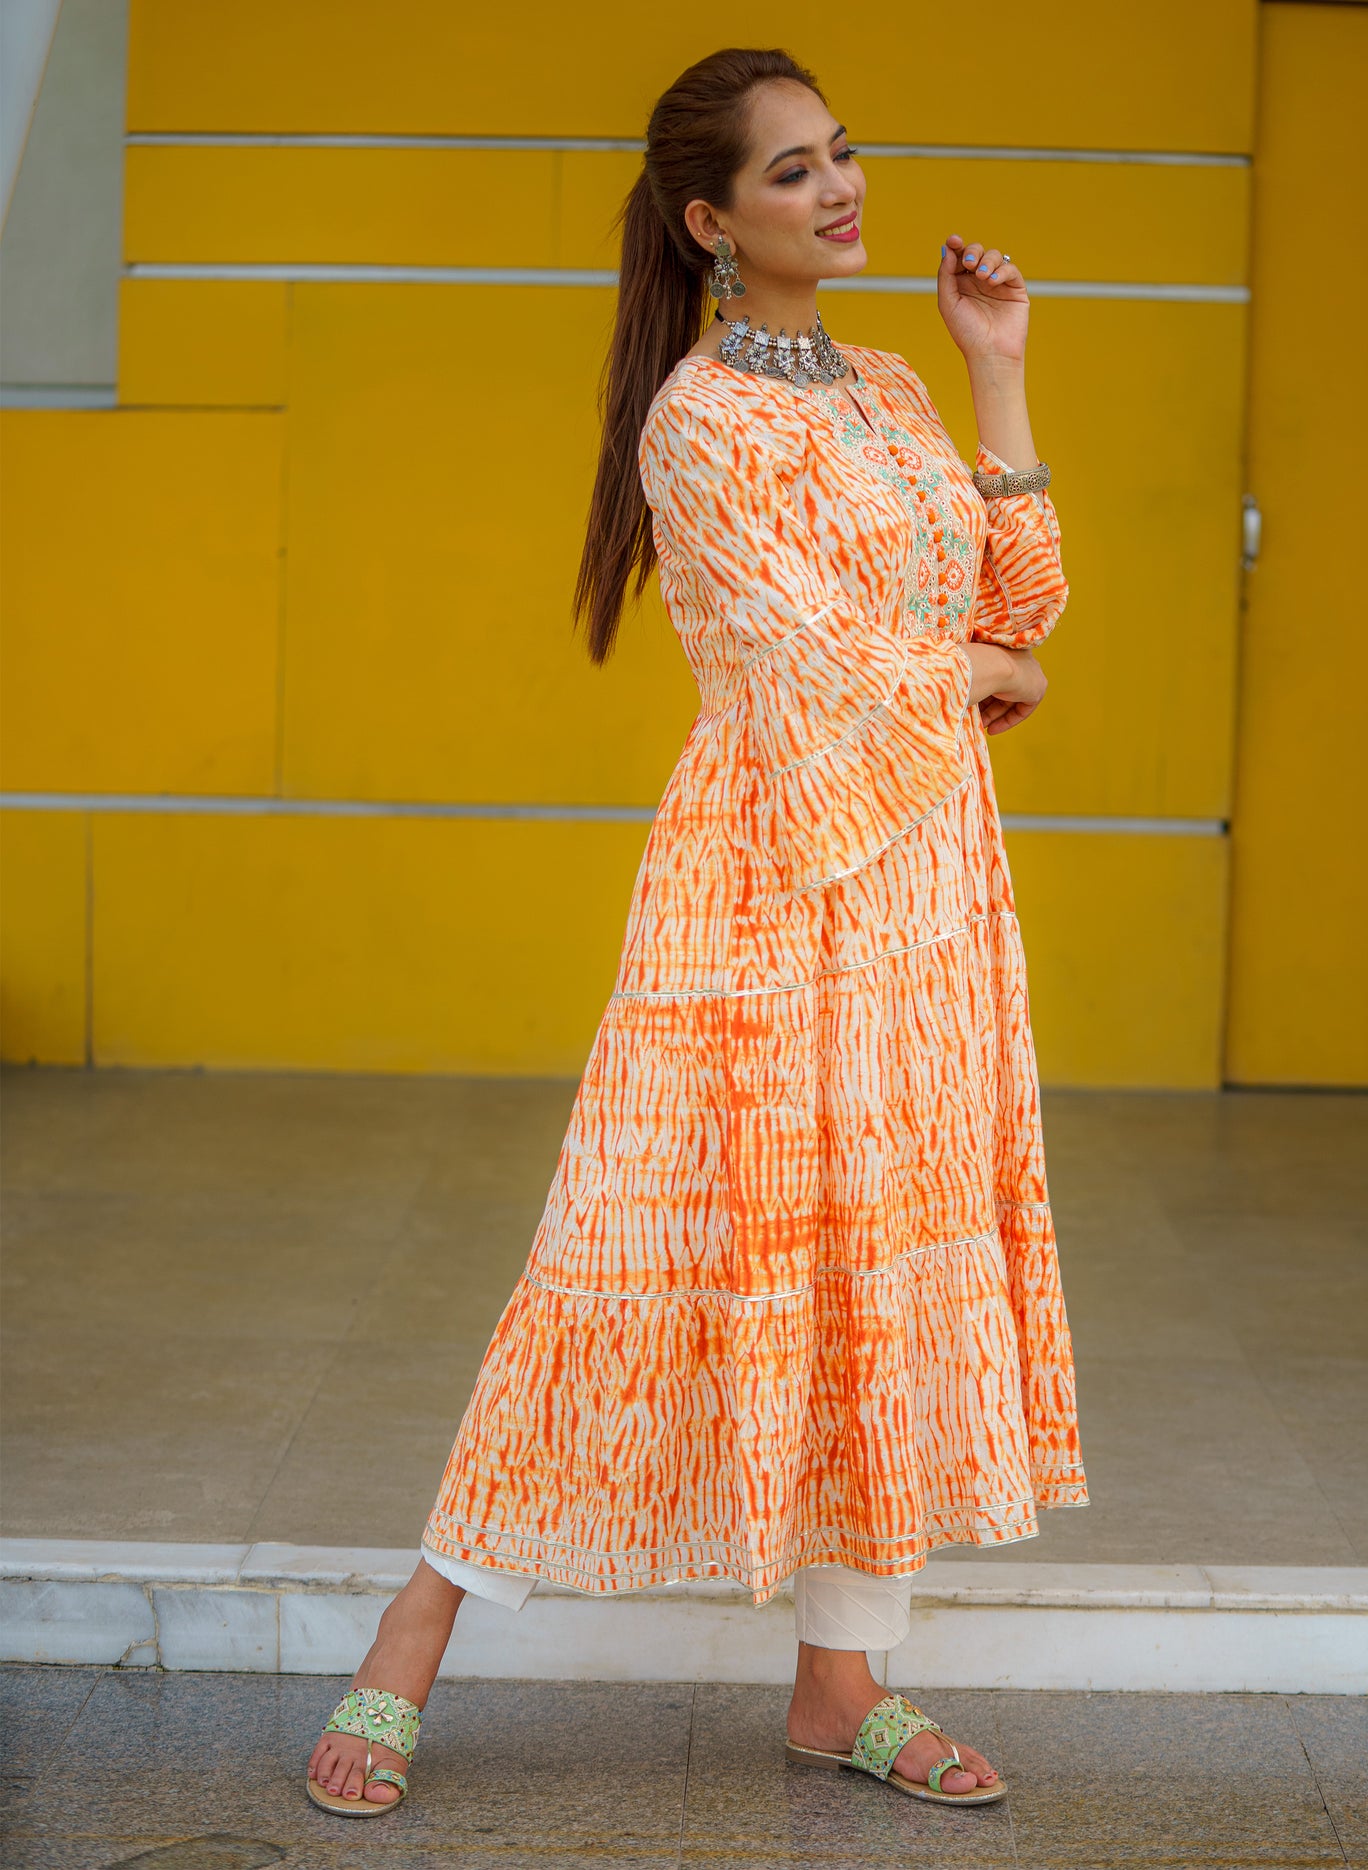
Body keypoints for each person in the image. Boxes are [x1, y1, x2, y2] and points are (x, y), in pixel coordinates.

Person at [306, 44, 1087, 1819]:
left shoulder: (892, 386)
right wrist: (981, 671)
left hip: (920, 899)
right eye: (796, 171)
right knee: (622, 1245)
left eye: (843, 157)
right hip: (755, 890)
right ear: (711, 220)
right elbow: (813, 677)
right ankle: (405, 1643)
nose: (840, 189)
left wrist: (999, 374)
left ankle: (840, 1683)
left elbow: (1021, 595)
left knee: (876, 1265)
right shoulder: (700, 420)